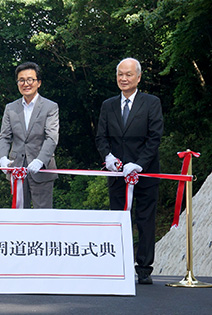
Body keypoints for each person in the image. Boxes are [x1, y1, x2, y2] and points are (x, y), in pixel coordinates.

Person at [96, 57, 163, 284]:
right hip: (116, 175)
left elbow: (155, 138)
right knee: (119, 219)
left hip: (145, 172)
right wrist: (108, 157)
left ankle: (144, 268)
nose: (123, 79)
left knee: (145, 220)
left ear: (138, 77)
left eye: (128, 74)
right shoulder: (108, 105)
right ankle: (119, 265)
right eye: (120, 75)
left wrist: (139, 163)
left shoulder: (151, 102)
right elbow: (101, 137)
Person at [0, 62, 59, 208]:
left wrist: (40, 160)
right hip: (17, 169)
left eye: (30, 79)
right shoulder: (10, 108)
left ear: (39, 83)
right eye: (21, 80)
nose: (26, 84)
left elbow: (52, 137)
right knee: (18, 216)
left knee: (42, 217)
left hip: (42, 170)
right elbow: (4, 137)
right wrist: (2, 158)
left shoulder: (50, 107)